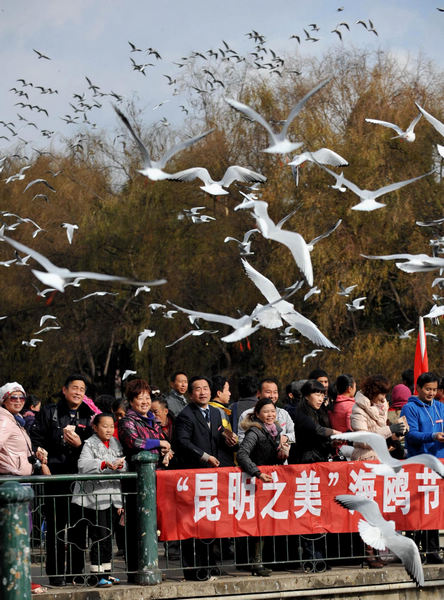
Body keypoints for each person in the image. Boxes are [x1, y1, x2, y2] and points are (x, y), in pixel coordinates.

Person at [30, 374, 95, 586]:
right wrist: (43, 463)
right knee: (56, 527)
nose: (78, 392)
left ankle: (76, 573)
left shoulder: (89, 414)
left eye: (82, 389)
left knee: (79, 526)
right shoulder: (49, 412)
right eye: (74, 388)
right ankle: (56, 574)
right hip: (55, 476)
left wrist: (79, 445)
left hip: (80, 477)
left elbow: (95, 445)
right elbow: (36, 440)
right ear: (64, 390)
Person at [175, 376, 235, 580]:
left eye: (206, 388)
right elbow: (182, 442)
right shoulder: (185, 415)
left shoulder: (216, 413)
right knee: (192, 525)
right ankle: (194, 570)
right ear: (191, 394)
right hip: (194, 476)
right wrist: (205, 456)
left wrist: (229, 439)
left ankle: (210, 565)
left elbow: (217, 439)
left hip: (212, 478)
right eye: (198, 389)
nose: (202, 392)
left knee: (209, 523)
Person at [117, 379, 171, 582]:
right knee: (136, 525)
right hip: (135, 480)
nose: (145, 402)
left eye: (147, 398)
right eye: (140, 398)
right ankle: (135, 570)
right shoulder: (127, 421)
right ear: (131, 400)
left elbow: (163, 442)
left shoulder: (153, 420)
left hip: (155, 478)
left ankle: (150, 565)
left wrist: (166, 450)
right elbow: (133, 442)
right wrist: (158, 443)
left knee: (151, 525)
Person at [350, 374, 405, 568]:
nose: (384, 398)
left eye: (385, 394)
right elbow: (362, 438)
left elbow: (382, 435)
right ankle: (368, 553)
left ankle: (378, 550)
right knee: (368, 512)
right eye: (381, 394)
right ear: (373, 392)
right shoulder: (357, 410)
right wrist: (389, 431)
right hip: (365, 463)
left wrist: (396, 433)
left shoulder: (382, 408)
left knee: (381, 510)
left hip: (381, 462)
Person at [236, 397, 290, 577]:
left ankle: (260, 561)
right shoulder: (255, 431)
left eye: (273, 411)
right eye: (266, 411)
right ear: (257, 414)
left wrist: (282, 454)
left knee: (265, 523)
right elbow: (242, 454)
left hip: (267, 483)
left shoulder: (275, 430)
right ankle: (255, 563)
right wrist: (257, 472)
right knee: (257, 524)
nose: (270, 415)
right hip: (255, 483)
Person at [72, 413, 125, 587]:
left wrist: (122, 465)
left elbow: (124, 465)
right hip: (94, 498)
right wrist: (103, 464)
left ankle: (107, 574)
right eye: (104, 426)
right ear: (95, 427)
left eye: (111, 426)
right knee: (99, 536)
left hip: (111, 496)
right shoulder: (89, 444)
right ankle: (96, 575)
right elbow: (83, 465)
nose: (109, 429)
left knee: (108, 536)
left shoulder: (116, 442)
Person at [401, 372, 444, 564]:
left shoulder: (441, 406)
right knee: (417, 508)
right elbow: (411, 435)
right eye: (428, 389)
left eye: (434, 390)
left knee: (433, 508)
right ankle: (412, 550)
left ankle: (432, 550)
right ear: (418, 388)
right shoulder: (409, 408)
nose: (431, 393)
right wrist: (432, 436)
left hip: (439, 463)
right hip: (419, 463)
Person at [237, 377, 295, 445]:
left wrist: (285, 437)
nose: (272, 396)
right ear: (258, 393)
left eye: (275, 392)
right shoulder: (247, 414)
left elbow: (294, 434)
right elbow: (241, 440)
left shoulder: (284, 413)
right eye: (268, 392)